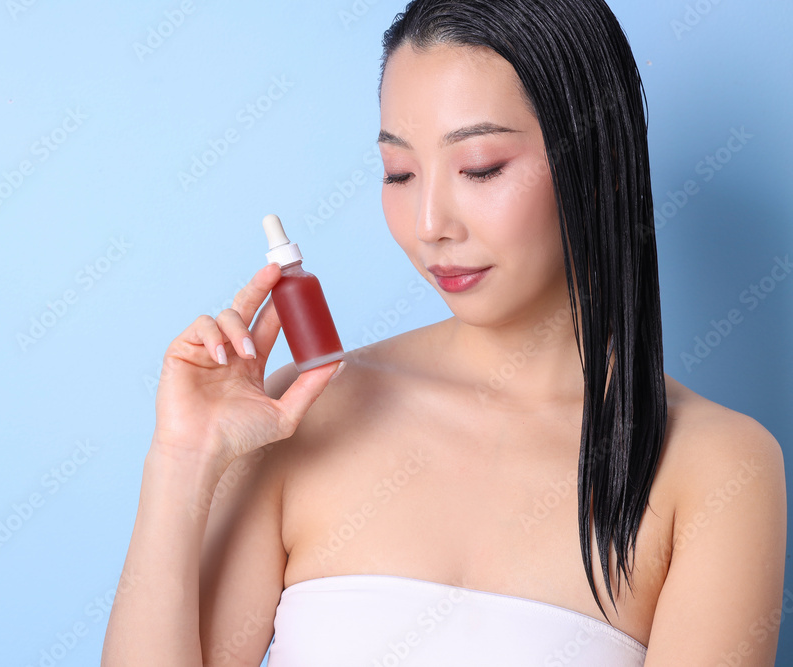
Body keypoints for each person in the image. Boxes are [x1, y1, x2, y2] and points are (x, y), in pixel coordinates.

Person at [101, 0, 787, 664]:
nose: (429, 224)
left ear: (600, 162)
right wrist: (181, 462)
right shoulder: (303, 414)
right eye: (399, 173)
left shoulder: (715, 467)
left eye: (480, 167)